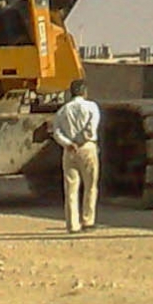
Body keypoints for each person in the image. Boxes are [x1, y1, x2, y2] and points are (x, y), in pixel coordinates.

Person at [52, 79, 102, 234]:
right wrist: (83, 140)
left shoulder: (62, 111)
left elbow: (57, 132)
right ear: (84, 92)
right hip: (87, 147)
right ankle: (88, 221)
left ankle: (73, 225)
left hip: (69, 150)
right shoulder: (92, 107)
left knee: (71, 189)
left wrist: (68, 143)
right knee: (90, 186)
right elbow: (91, 126)